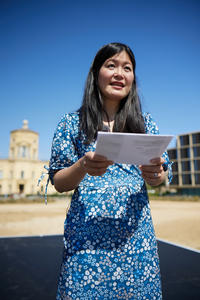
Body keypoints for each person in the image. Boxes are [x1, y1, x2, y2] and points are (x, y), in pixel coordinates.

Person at [47, 42, 172, 299]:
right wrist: (83, 165)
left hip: (137, 243)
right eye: (111, 65)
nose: (119, 73)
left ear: (133, 78)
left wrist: (156, 174)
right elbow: (59, 182)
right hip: (86, 244)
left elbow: (162, 175)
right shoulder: (70, 123)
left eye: (127, 68)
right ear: (95, 73)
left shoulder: (146, 123)